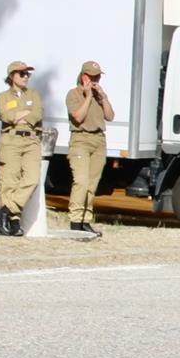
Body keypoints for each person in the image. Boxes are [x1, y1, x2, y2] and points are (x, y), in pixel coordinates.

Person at [0, 61, 43, 236]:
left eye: (27, 74)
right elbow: (6, 117)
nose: (25, 77)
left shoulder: (34, 94)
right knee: (9, 181)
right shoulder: (3, 97)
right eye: (21, 74)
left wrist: (20, 117)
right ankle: (12, 222)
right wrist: (24, 114)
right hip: (11, 140)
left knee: (32, 178)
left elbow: (37, 114)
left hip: (31, 140)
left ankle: (5, 211)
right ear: (12, 76)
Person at [65, 61, 114, 239]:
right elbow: (78, 117)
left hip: (99, 140)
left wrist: (103, 97)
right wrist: (87, 97)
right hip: (81, 139)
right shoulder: (74, 94)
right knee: (81, 181)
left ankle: (86, 219)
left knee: (92, 184)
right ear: (84, 76)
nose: (96, 80)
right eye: (93, 76)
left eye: (98, 76)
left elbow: (110, 116)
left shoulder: (99, 95)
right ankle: (75, 220)